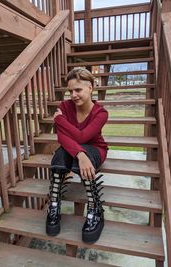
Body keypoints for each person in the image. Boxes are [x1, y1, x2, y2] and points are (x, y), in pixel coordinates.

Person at [46, 68, 108, 243]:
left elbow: (83, 137)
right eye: (70, 91)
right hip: (73, 149)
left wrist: (59, 121)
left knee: (80, 154)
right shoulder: (64, 106)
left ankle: (95, 209)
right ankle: (54, 205)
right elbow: (61, 137)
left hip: (95, 148)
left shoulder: (101, 113)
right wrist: (80, 154)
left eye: (78, 90)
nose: (73, 95)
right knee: (59, 159)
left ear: (90, 88)